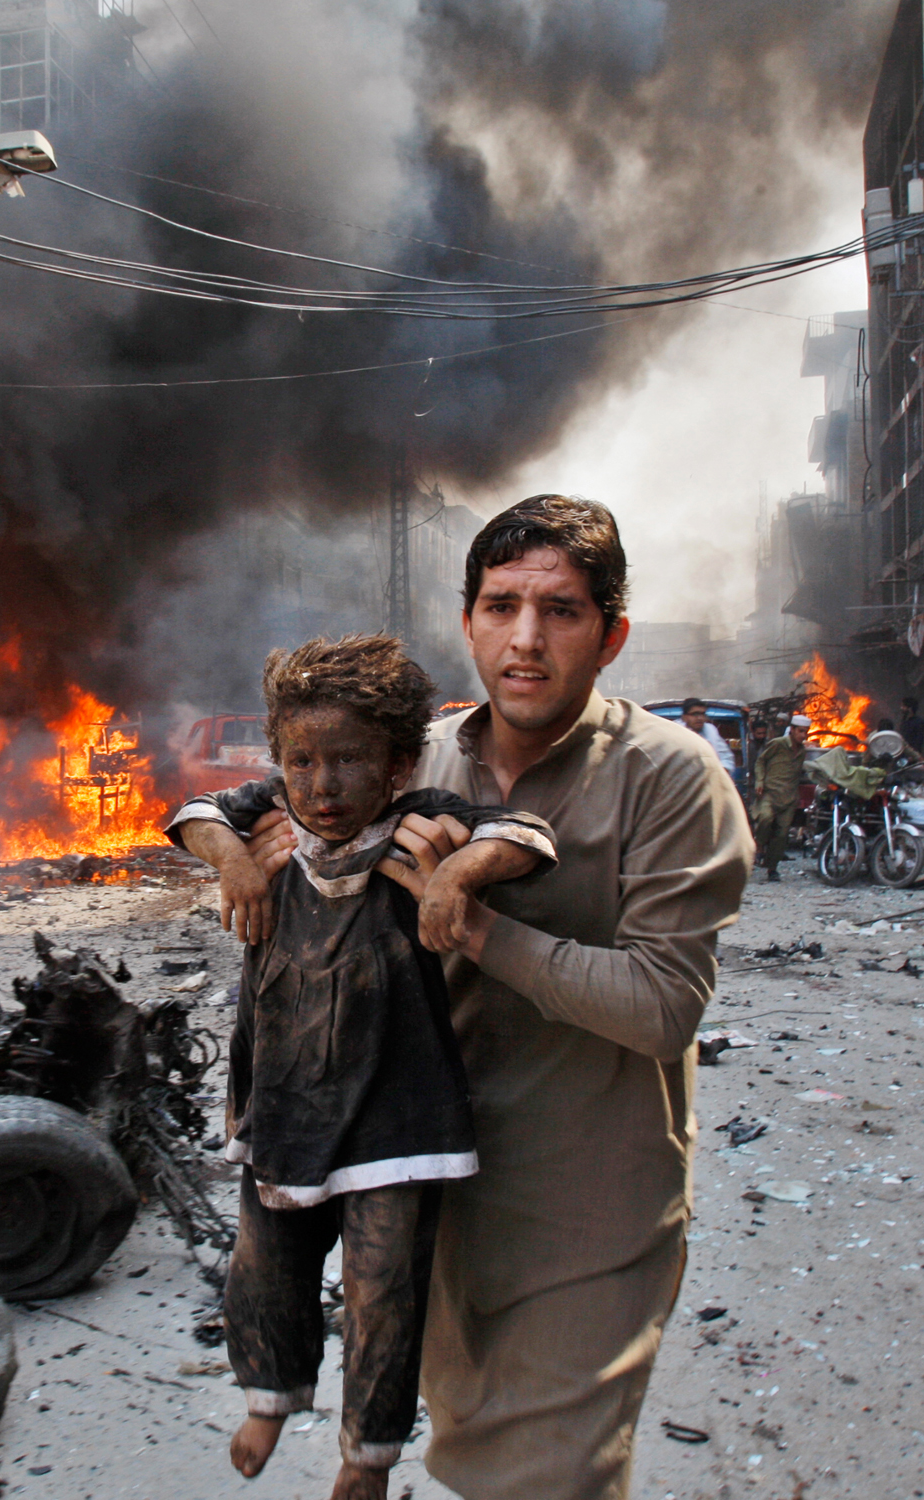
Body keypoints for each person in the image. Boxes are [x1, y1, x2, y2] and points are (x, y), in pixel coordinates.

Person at [244, 496, 754, 1500]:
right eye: (499, 604)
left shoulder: (668, 778)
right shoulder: (408, 762)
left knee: (540, 1479)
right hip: (425, 1188)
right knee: (461, 1450)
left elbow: (661, 1006)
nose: (524, 640)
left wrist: (469, 919)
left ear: (610, 635)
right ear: (467, 619)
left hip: (585, 1215)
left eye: (560, 612)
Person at [168, 634, 556, 1500]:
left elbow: (525, 836)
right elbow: (193, 813)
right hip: (283, 1100)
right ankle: (270, 1395)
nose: (322, 784)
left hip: (398, 1110)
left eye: (348, 760)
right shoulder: (266, 822)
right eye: (301, 760)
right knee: (264, 1266)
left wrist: (459, 874)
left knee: (383, 1290)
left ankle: (367, 1455)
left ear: (396, 762)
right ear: (277, 758)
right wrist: (233, 860)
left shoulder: (418, 825)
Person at [753, 713, 810, 882]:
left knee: (782, 835)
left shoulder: (802, 751)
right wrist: (760, 781)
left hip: (789, 798)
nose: (803, 735)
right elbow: (760, 762)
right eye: (800, 731)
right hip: (769, 793)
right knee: (765, 818)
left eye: (806, 732)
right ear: (791, 730)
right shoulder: (777, 744)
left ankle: (772, 869)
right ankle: (759, 846)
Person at [680, 696, 736, 774]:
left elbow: (725, 757)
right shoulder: (677, 731)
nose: (699, 718)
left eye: (702, 714)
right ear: (684, 717)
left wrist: (721, 771)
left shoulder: (711, 730)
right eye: (695, 714)